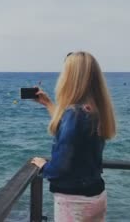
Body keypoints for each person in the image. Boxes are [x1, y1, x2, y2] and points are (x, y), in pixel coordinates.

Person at [30, 51, 117, 222]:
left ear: (70, 78)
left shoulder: (75, 114)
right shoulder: (94, 110)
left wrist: (44, 166)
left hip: (75, 202)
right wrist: (48, 104)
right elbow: (71, 131)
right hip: (96, 196)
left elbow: (61, 167)